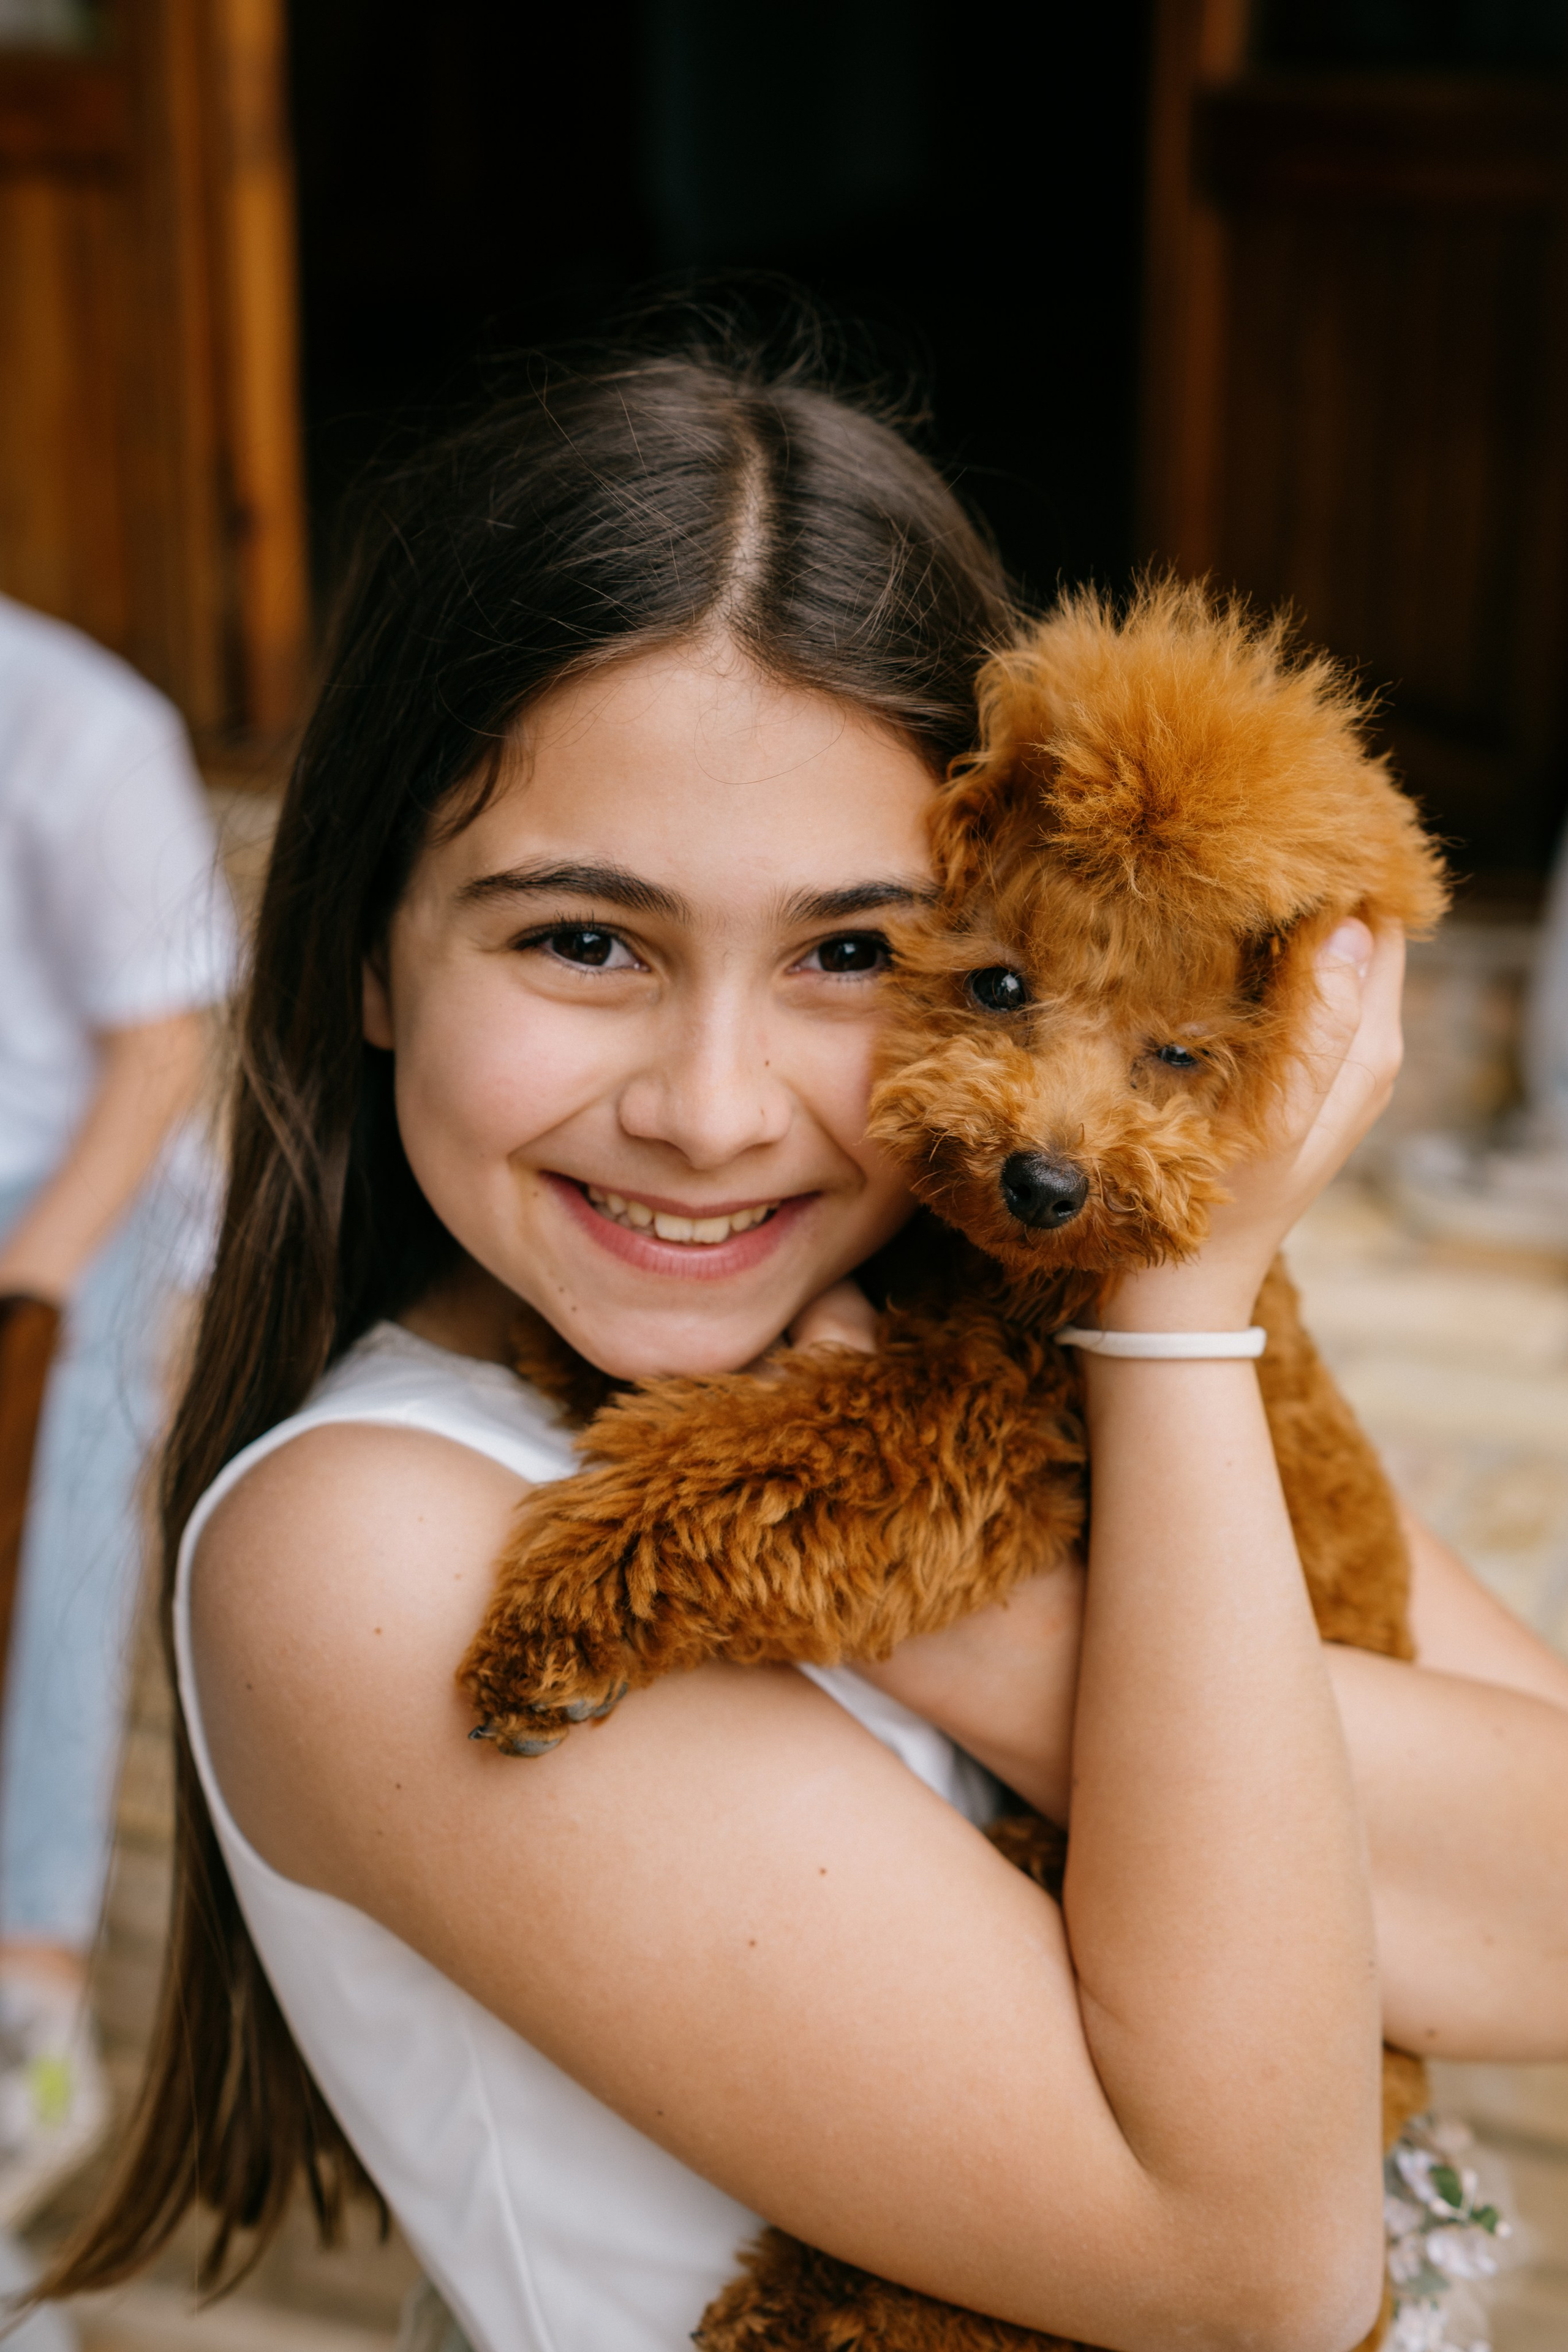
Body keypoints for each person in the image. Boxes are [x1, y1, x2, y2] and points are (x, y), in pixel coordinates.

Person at [39, 343, 1568, 2352]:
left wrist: (974, 1563)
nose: (716, 1104)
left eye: (857, 954)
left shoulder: (1026, 1320)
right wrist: (1169, 1346)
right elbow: (1255, 2275)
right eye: (583, 939)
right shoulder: (377, 1556)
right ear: (366, 957)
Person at [0, 591, 236, 2241]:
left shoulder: (84, 730)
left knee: (44, 1605)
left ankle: (29, 2032)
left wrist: (27, 1302)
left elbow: (161, 1057)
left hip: (64, 1210)